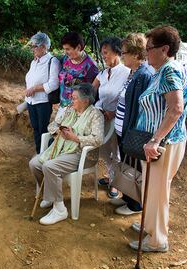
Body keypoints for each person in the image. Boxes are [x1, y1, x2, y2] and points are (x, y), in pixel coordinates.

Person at [129, 25, 187, 252]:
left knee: (158, 190)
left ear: (164, 49)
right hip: (160, 141)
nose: (146, 53)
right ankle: (149, 225)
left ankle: (158, 240)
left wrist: (155, 140)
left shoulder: (169, 70)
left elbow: (175, 109)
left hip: (164, 143)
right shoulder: (165, 70)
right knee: (153, 187)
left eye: (149, 48)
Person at [29, 83, 104, 225]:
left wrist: (75, 138)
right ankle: (50, 196)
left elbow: (98, 139)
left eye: (74, 98)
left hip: (81, 154)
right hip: (61, 149)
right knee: (34, 163)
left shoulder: (96, 115)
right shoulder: (70, 110)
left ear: (85, 100)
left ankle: (60, 209)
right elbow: (52, 126)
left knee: (50, 166)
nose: (71, 100)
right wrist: (59, 130)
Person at [109, 33, 154, 215]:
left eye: (125, 52)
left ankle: (135, 205)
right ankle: (128, 198)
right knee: (127, 165)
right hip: (123, 130)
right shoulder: (134, 72)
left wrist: (131, 132)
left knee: (134, 168)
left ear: (136, 54)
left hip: (132, 132)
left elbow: (141, 108)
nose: (122, 56)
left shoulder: (144, 75)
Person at [92, 37, 130, 198]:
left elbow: (129, 98)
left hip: (116, 118)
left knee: (116, 151)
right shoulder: (102, 73)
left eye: (106, 53)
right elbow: (91, 92)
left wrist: (113, 113)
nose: (104, 56)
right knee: (104, 150)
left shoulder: (127, 72)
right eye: (102, 53)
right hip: (101, 117)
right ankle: (111, 175)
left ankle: (117, 183)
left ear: (117, 52)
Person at [25, 32, 60, 154]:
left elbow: (54, 84)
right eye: (32, 46)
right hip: (31, 101)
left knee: (43, 130)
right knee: (35, 128)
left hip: (43, 102)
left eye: (35, 46)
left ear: (44, 46)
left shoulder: (52, 61)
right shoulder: (34, 61)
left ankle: (45, 154)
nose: (32, 49)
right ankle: (38, 153)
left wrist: (34, 89)